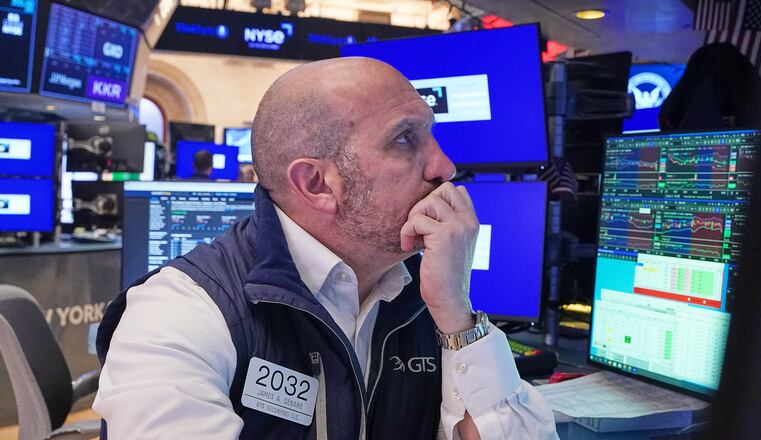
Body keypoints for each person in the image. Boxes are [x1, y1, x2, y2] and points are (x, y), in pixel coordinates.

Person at [93, 57, 558, 439]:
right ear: (316, 183)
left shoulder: (429, 294)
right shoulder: (179, 313)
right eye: (404, 140)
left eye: (431, 135)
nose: (444, 166)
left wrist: (458, 312)